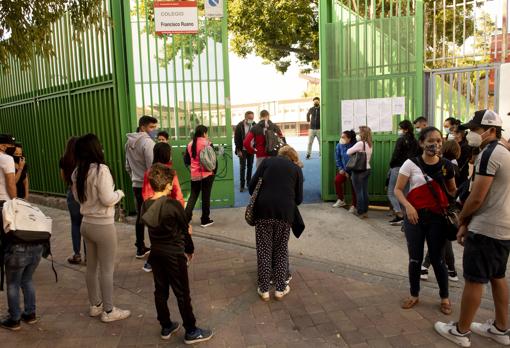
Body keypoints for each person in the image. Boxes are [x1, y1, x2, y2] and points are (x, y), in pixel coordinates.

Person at [435, 110, 510, 347]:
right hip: (502, 227)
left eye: (475, 130)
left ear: (491, 130)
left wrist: (463, 222)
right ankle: (500, 327)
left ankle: (461, 331)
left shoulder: (489, 154)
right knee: (497, 276)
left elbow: (477, 197)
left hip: (487, 228)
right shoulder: (504, 152)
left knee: (474, 280)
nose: (471, 134)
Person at [141, 164, 213, 344]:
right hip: (174, 253)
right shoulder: (173, 205)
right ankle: (191, 330)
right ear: (167, 185)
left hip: (156, 252)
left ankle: (165, 325)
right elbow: (184, 230)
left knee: (160, 290)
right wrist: (189, 250)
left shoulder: (146, 204)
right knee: (182, 293)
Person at [394, 126, 456, 315]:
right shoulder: (410, 164)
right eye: (431, 141)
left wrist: (451, 185)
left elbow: (453, 191)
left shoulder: (446, 165)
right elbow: (398, 189)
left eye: (438, 141)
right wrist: (408, 207)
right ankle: (414, 294)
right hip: (414, 217)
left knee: (438, 259)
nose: (435, 144)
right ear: (422, 143)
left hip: (438, 218)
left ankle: (445, 298)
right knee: (415, 258)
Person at [72, 133, 130, 323]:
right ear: (95, 148)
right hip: (103, 226)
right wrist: (119, 193)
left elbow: (77, 198)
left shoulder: (77, 172)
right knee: (106, 269)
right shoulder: (100, 170)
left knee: (91, 267)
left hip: (86, 224)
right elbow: (107, 199)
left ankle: (95, 305)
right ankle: (109, 310)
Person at [249, 145, 303, 301]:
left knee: (264, 249)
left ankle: (264, 289)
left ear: (280, 154)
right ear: (293, 157)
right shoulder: (296, 169)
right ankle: (280, 289)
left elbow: (252, 186)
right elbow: (298, 199)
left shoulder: (267, 162)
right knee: (281, 249)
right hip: (285, 213)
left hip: (263, 211)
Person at [0, 134, 30, 331]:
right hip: (4, 205)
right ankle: (20, 314)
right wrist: (16, 202)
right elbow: (12, 184)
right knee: (11, 247)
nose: (12, 148)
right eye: (10, 145)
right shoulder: (6, 158)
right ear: (3, 145)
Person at [421, 140, 461, 283]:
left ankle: (427, 267)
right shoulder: (454, 166)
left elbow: (450, 189)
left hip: (442, 208)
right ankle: (450, 270)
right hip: (447, 207)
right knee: (442, 240)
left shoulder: (446, 166)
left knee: (440, 241)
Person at [125, 115, 158, 259]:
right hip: (148, 186)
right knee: (152, 217)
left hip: (136, 185)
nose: (154, 130)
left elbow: (127, 166)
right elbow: (152, 168)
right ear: (142, 127)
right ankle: (156, 249)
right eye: (151, 127)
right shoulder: (148, 143)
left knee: (140, 216)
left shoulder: (128, 142)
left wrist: (135, 177)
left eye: (155, 127)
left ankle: (140, 246)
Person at [387, 120, 420, 225]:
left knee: (392, 192)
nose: (399, 130)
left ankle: (399, 213)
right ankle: (404, 217)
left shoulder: (401, 140)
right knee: (405, 193)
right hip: (409, 168)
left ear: (405, 129)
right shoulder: (415, 141)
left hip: (398, 168)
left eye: (400, 128)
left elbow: (395, 155)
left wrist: (391, 165)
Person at [59, 137, 85, 265]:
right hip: (84, 193)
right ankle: (89, 255)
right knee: (86, 222)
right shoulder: (84, 159)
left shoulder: (64, 159)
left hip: (71, 192)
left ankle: (77, 254)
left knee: (75, 224)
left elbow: (63, 177)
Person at [185, 125, 215, 228]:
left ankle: (186, 218)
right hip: (207, 174)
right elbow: (213, 160)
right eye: (206, 133)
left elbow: (187, 160)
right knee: (206, 197)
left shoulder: (190, 144)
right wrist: (213, 171)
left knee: (193, 196)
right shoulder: (208, 143)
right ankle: (205, 220)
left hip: (195, 175)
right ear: (204, 133)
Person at [142, 142, 184, 207]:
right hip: (168, 207)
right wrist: (181, 207)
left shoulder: (149, 172)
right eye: (170, 153)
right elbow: (177, 193)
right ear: (166, 154)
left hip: (152, 209)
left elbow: (146, 193)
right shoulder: (170, 172)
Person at [346, 126, 373, 218]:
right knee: (364, 191)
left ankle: (360, 212)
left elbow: (348, 152)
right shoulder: (369, 144)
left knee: (359, 192)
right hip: (367, 169)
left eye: (359, 132)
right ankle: (365, 211)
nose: (358, 134)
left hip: (359, 170)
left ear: (362, 134)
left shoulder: (360, 143)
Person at [333, 130, 357, 209]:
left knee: (354, 186)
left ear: (349, 139)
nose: (341, 138)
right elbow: (337, 158)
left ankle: (354, 205)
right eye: (341, 137)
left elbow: (355, 160)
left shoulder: (355, 145)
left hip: (353, 170)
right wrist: (340, 168)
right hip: (344, 170)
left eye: (343, 137)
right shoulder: (339, 145)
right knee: (337, 180)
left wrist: (349, 171)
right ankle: (341, 200)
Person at [234, 111, 256, 192]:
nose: (251, 120)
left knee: (250, 167)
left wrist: (255, 148)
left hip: (251, 149)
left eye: (252, 118)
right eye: (250, 118)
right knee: (242, 167)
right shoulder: (240, 126)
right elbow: (236, 139)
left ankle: (249, 184)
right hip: (242, 150)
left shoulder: (254, 125)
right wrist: (238, 150)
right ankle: (242, 185)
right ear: (245, 117)